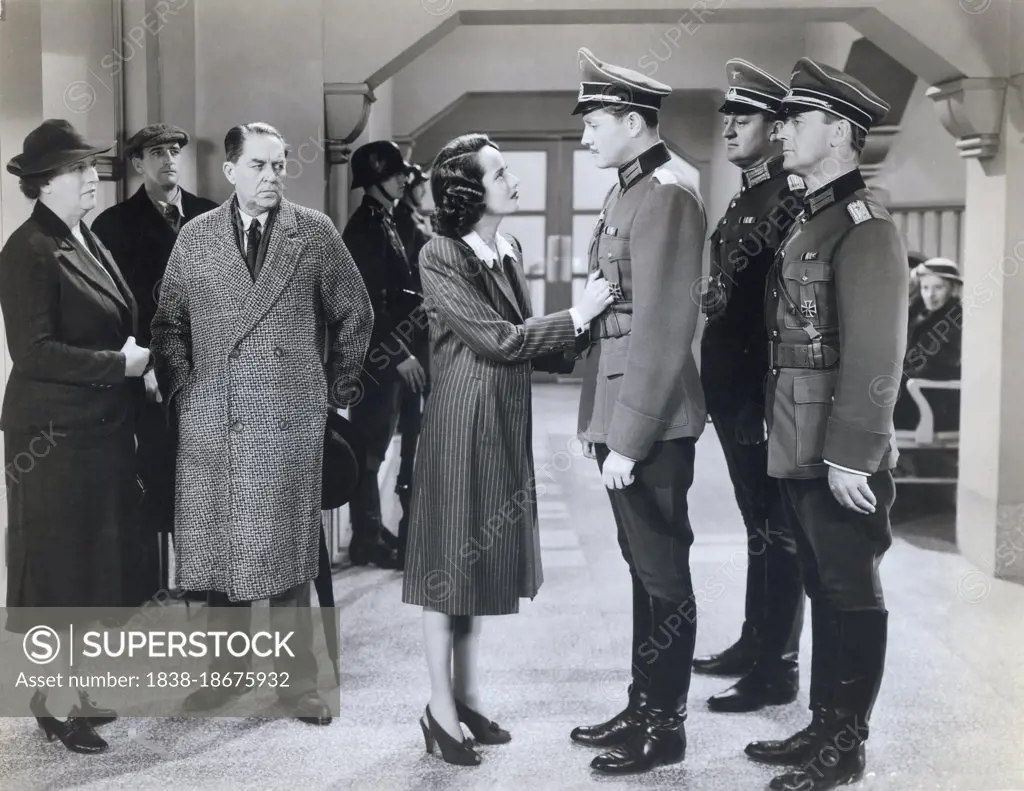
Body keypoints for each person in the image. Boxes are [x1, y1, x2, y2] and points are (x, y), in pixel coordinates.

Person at [400, 133, 613, 766]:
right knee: (447, 571)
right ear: (469, 191)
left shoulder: (505, 246)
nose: (512, 180)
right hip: (461, 423)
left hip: (501, 418)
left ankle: (464, 700)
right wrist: (577, 317)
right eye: (500, 173)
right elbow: (497, 339)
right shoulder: (440, 253)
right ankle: (439, 713)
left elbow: (523, 339)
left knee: (476, 566)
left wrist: (584, 334)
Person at [151, 121, 373, 726]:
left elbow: (356, 312)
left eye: (279, 165)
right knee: (219, 556)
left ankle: (296, 684)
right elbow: (168, 324)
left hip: (287, 419)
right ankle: (224, 678)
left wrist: (334, 389)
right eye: (259, 166)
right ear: (230, 171)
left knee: (287, 552)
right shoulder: (195, 238)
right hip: (212, 422)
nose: (272, 177)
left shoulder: (314, 233)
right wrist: (184, 391)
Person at [745, 59, 907, 791]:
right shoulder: (815, 216)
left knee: (849, 587)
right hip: (798, 438)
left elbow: (877, 354)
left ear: (838, 131)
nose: (782, 132)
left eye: (796, 120)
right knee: (820, 581)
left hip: (835, 447)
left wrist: (853, 456)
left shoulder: (865, 226)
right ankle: (822, 721)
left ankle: (845, 745)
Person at [568, 48, 708, 775]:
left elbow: (661, 326)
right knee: (640, 565)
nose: (585, 134)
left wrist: (629, 436)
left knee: (664, 574)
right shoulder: (626, 190)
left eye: (595, 121)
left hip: (649, 416)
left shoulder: (668, 193)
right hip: (617, 405)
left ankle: (667, 723)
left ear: (632, 121)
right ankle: (642, 701)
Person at [1, 119, 154, 754]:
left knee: (94, 565)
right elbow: (33, 353)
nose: (93, 177)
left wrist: (131, 370)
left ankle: (80, 689)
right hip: (53, 437)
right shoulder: (27, 249)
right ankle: (49, 702)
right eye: (78, 170)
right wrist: (119, 367)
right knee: (57, 568)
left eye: (93, 166)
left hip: (99, 432)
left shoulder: (83, 237)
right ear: (43, 184)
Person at [694, 59, 806, 713]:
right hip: (732, 391)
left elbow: (783, 309)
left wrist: (767, 399)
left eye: (745, 116)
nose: (729, 126)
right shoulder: (746, 194)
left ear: (776, 126)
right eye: (727, 116)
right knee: (757, 522)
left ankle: (777, 665)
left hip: (758, 394)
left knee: (776, 525)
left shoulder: (787, 197)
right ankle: (753, 640)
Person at [90, 124, 218, 601]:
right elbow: (112, 311)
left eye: (174, 151)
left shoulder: (211, 217)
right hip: (148, 376)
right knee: (152, 475)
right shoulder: (113, 226)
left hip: (207, 375)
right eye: (156, 152)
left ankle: (201, 578)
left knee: (205, 480)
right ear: (137, 164)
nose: (168, 159)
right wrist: (143, 370)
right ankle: (150, 587)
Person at [342, 140, 424, 569]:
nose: (404, 179)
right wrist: (398, 355)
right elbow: (366, 305)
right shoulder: (365, 229)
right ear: (375, 178)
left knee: (377, 447)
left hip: (390, 355)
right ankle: (366, 538)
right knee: (370, 451)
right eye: (395, 174)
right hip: (376, 360)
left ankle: (372, 532)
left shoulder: (384, 220)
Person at [393, 162, 434, 568]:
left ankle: (413, 533)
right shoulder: (401, 222)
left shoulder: (413, 219)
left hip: (422, 336)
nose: (419, 188)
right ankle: (406, 534)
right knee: (412, 437)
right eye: (416, 183)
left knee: (417, 433)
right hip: (412, 339)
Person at [893, 258, 962, 433]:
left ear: (953, 289)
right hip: (915, 384)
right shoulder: (919, 316)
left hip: (936, 393)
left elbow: (944, 363)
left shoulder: (956, 319)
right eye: (925, 288)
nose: (930, 295)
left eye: (938, 288)